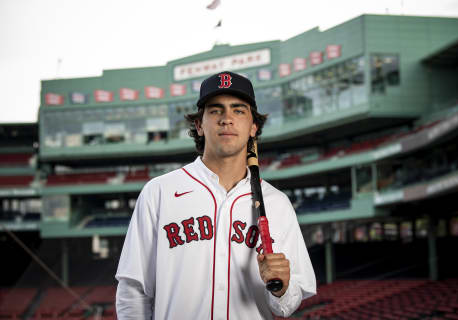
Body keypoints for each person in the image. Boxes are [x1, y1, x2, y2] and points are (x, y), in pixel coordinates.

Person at [115, 71, 316, 320]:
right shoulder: (159, 192)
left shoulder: (276, 203)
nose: (227, 119)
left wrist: (282, 287)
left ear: (253, 126)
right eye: (215, 110)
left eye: (239, 110)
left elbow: (286, 306)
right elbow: (133, 290)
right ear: (199, 125)